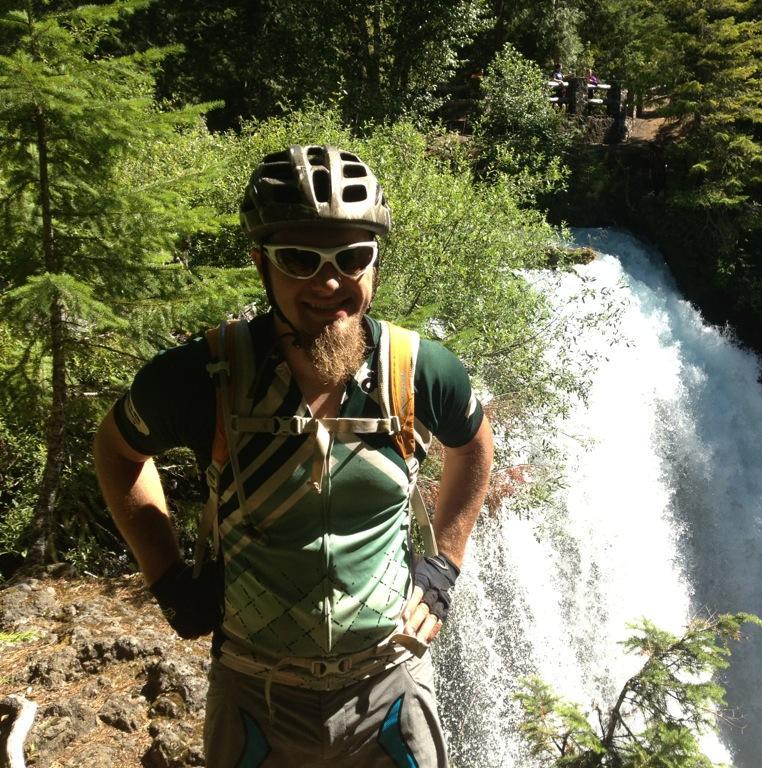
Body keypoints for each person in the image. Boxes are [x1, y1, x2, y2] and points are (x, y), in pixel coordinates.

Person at [93, 145, 494, 767]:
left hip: (388, 684)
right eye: (300, 259)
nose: (329, 282)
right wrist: (166, 576)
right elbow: (116, 452)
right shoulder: (204, 376)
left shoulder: (420, 371)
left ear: (376, 264)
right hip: (257, 692)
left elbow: (473, 446)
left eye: (351, 257)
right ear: (262, 265)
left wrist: (444, 568)